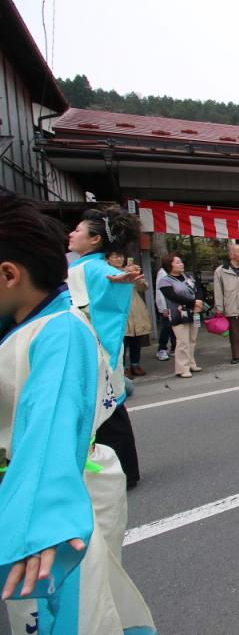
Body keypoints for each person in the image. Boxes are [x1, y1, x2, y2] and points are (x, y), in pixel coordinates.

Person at [0, 192, 155, 635]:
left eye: (79, 231)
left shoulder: (63, 319)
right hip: (63, 464)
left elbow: (48, 425)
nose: (72, 235)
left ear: (10, 274)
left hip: (59, 489)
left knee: (77, 612)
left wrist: (40, 515)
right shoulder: (79, 285)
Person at [66, 205, 144, 490]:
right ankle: (123, 470)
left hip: (94, 351)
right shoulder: (88, 266)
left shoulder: (93, 268)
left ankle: (121, 472)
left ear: (95, 239)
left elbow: (105, 281)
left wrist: (119, 281)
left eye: (78, 230)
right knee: (108, 409)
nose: (71, 234)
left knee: (107, 409)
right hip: (92, 348)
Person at [158, 253, 204, 378]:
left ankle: (191, 363)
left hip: (195, 311)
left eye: (181, 261)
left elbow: (198, 289)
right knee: (182, 341)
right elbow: (173, 297)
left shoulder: (189, 276)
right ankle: (182, 368)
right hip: (178, 314)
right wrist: (194, 302)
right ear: (170, 265)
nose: (181, 264)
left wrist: (199, 301)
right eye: (177, 262)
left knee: (192, 339)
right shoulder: (165, 281)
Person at [108, 252, 152, 377]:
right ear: (108, 259)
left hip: (135, 307)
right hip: (119, 309)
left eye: (121, 256)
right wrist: (124, 273)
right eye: (115, 256)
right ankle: (122, 367)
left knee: (136, 338)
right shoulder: (107, 272)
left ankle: (135, 364)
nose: (119, 259)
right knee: (122, 340)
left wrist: (136, 276)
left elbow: (144, 287)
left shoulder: (131, 271)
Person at [214, 241, 239, 363]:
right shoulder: (220, 271)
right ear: (232, 255)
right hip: (231, 305)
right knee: (235, 334)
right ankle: (236, 356)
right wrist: (219, 308)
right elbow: (218, 291)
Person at [154, 261, 175, 361]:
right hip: (166, 306)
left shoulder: (172, 273)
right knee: (167, 327)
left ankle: (174, 347)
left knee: (173, 327)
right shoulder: (162, 273)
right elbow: (160, 292)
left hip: (174, 304)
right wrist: (163, 308)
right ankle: (162, 348)